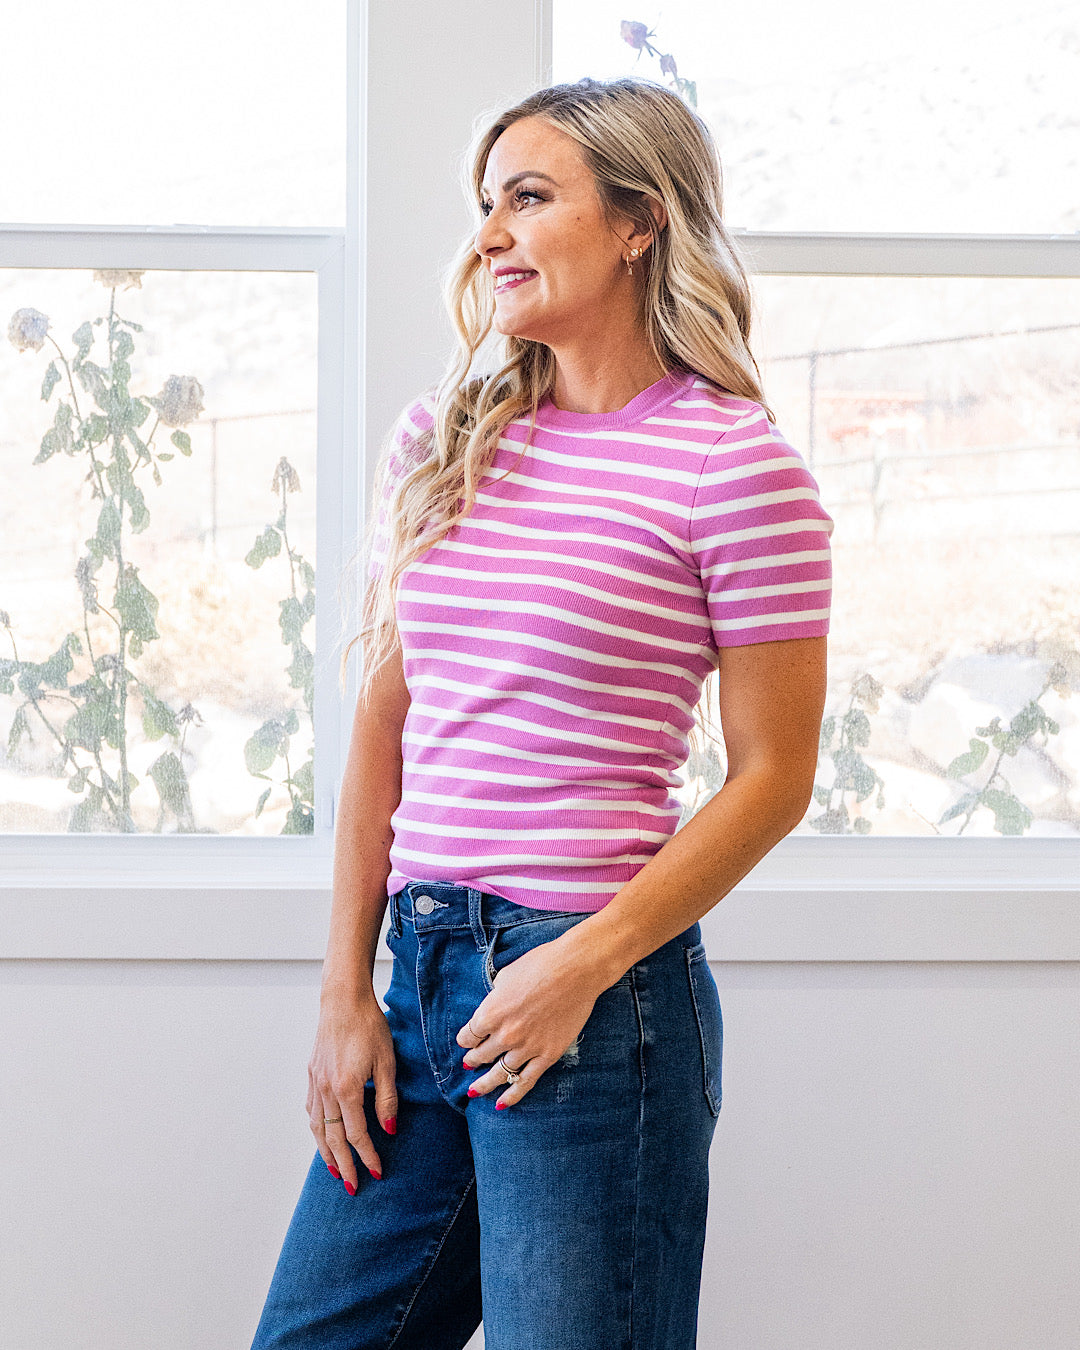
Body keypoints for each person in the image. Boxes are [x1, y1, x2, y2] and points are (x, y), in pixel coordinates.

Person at [251, 75, 833, 1350]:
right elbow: (385, 725)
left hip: (593, 996)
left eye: (527, 197)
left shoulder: (734, 466)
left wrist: (582, 962)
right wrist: (346, 991)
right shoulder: (444, 439)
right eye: (485, 204)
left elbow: (774, 777)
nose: (490, 234)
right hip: (423, 973)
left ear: (638, 220)